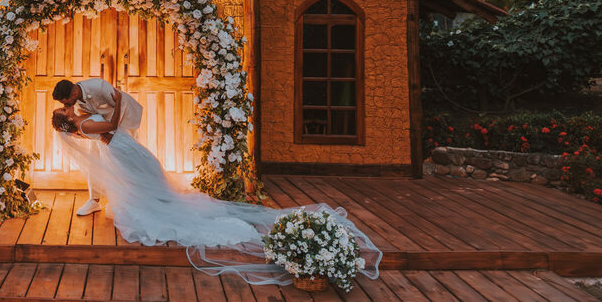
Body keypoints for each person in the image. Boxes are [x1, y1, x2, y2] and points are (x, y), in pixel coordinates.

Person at [49, 105, 383, 287]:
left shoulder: (80, 114)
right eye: (64, 113)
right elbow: (112, 123)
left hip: (127, 149)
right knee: (144, 181)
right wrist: (118, 98)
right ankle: (163, 207)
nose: (67, 109)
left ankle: (161, 201)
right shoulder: (85, 125)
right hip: (123, 149)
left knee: (150, 175)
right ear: (66, 123)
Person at [52, 77, 142, 215]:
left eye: (65, 102)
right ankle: (94, 200)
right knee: (94, 162)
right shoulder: (73, 102)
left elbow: (121, 102)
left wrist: (110, 132)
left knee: (125, 164)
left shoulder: (98, 86)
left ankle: (132, 199)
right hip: (100, 126)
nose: (66, 106)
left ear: (74, 94)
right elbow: (80, 121)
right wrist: (96, 132)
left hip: (125, 120)